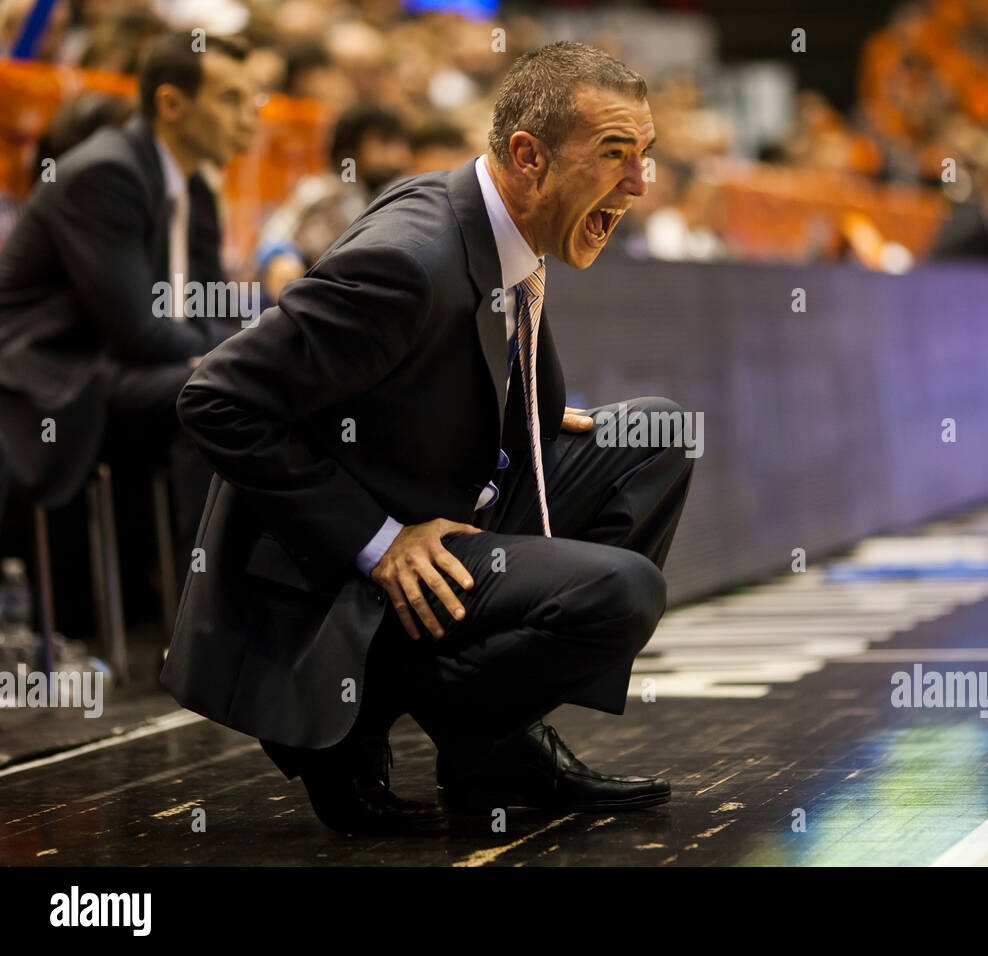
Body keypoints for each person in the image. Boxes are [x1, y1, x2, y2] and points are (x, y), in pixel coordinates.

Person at [161, 41, 694, 836]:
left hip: (434, 505)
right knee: (620, 594)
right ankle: (375, 726)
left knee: (653, 437)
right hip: (335, 580)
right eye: (616, 155)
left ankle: (490, 753)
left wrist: (537, 423)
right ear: (528, 157)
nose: (639, 182)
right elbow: (215, 398)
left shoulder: (488, 219)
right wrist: (379, 541)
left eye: (645, 155)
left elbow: (432, 378)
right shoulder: (406, 264)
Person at [0, 31, 257, 632]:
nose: (250, 117)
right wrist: (236, 357)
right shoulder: (105, 173)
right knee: (217, 397)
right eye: (231, 99)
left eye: (254, 99)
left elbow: (207, 308)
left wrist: (249, 346)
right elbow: (139, 330)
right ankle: (206, 629)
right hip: (52, 377)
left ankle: (257, 610)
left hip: (126, 367)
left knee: (247, 384)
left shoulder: (193, 185)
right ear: (172, 105)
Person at [255, 103, 413, 304]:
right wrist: (282, 257)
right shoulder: (322, 190)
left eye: (402, 143)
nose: (398, 155)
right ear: (349, 151)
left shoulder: (397, 197)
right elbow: (275, 236)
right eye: (384, 142)